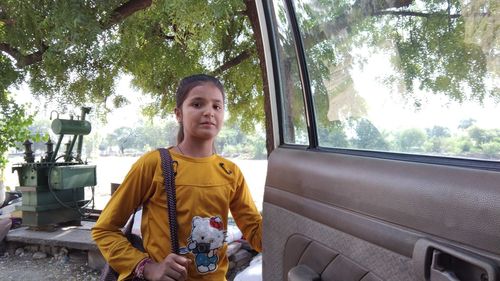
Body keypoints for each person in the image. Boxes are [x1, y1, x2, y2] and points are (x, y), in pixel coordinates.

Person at [92, 74, 263, 281]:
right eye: (197, 104)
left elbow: (255, 233)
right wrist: (146, 267)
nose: (209, 112)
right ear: (178, 114)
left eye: (217, 107)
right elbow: (105, 229)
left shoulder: (230, 171)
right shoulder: (154, 164)